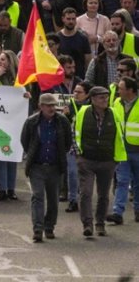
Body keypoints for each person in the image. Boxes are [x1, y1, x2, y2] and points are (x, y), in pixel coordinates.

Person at [74, 86, 125, 238]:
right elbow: (74, 132)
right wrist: (78, 156)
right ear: (93, 99)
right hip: (87, 160)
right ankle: (87, 224)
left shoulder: (114, 113)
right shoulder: (83, 112)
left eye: (107, 97)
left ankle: (100, 224)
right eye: (102, 97)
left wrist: (115, 160)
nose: (105, 100)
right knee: (86, 193)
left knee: (103, 195)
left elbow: (120, 135)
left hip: (107, 161)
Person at [20, 93, 72, 242]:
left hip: (55, 166)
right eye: (48, 105)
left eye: (53, 105)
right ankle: (38, 229)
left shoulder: (62, 121)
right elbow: (25, 141)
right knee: (37, 196)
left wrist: (60, 156)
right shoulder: (31, 122)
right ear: (40, 106)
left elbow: (67, 142)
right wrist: (32, 155)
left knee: (53, 199)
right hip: (37, 166)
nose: (52, 108)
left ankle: (49, 227)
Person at [109, 75, 139, 225]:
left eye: (121, 88)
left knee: (138, 183)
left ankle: (138, 211)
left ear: (130, 90)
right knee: (122, 181)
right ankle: (117, 212)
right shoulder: (116, 103)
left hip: (137, 151)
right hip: (122, 150)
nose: (118, 91)